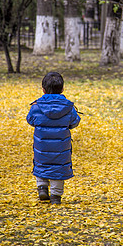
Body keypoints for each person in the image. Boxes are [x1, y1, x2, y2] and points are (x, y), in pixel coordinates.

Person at [26, 72, 81, 205]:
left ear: (43, 89)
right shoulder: (68, 107)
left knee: (41, 164)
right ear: (62, 89)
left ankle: (42, 188)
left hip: (42, 145)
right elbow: (75, 122)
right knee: (59, 167)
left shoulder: (37, 106)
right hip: (61, 146)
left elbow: (30, 120)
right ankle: (56, 195)